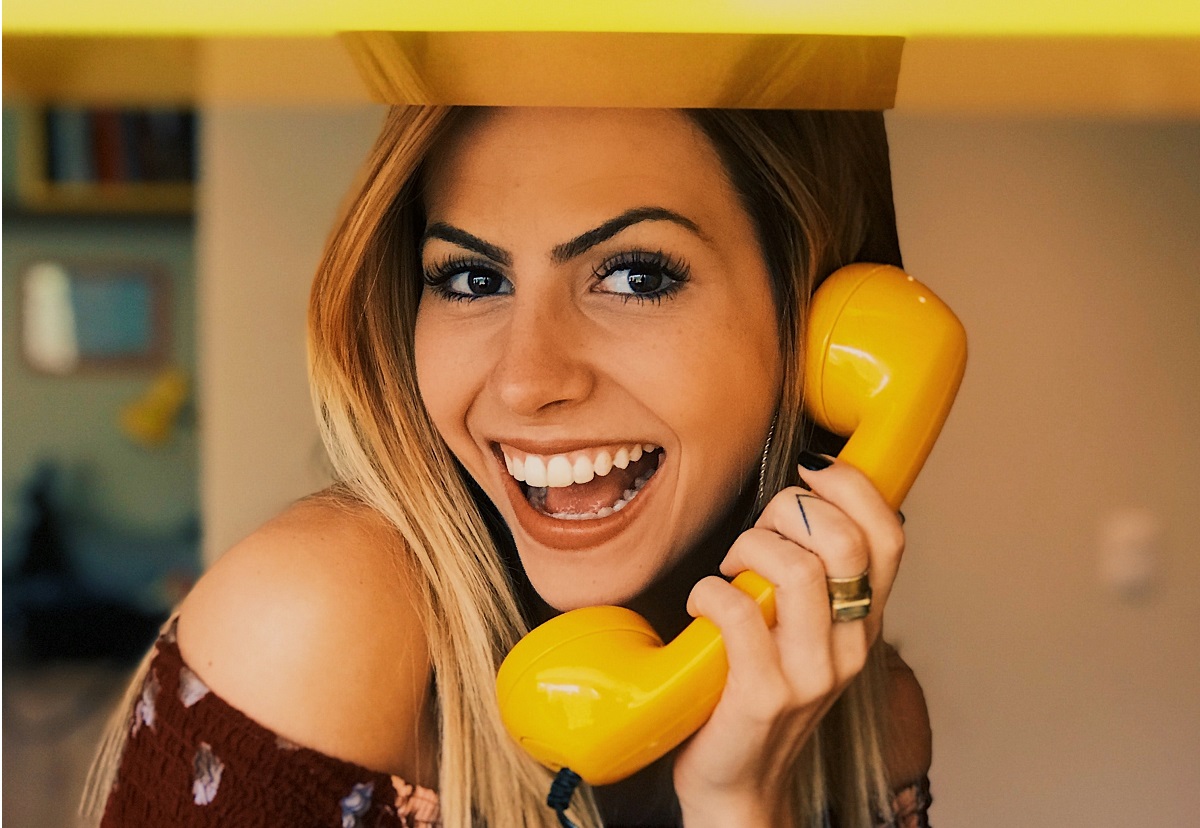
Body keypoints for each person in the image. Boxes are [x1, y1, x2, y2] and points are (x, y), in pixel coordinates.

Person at [84, 106, 932, 827]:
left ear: (819, 325)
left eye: (635, 275)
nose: (526, 381)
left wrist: (737, 804)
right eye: (471, 278)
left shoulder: (868, 727)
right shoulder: (315, 623)